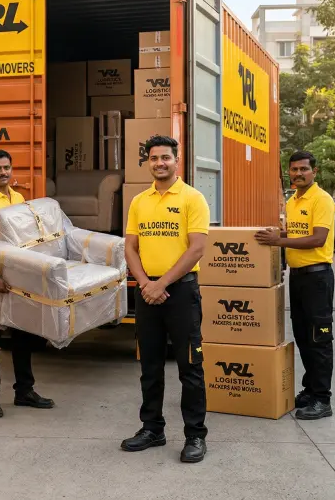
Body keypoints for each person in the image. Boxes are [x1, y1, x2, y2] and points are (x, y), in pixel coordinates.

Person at [121, 135, 209, 463]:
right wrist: (145, 283)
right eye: (154, 158)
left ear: (177, 160)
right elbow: (130, 246)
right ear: (148, 162)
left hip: (182, 292)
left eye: (166, 158)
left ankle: (195, 436)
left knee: (190, 367)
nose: (160, 163)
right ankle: (152, 428)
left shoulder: (193, 198)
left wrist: (162, 284)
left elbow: (197, 248)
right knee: (150, 365)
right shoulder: (139, 201)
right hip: (147, 293)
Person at [0, 149, 55, 419]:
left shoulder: (18, 198)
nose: (3, 172)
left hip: (19, 277)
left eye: (7, 167)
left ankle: (24, 391)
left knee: (24, 335)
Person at [255, 150, 335, 421]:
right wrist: (279, 234)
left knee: (319, 338)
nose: (298, 174)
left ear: (315, 171)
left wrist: (279, 242)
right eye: (294, 170)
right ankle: (310, 390)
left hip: (317, 278)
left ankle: (323, 399)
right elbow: (300, 233)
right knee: (303, 336)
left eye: (304, 169)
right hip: (299, 277)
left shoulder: (321, 199)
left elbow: (317, 239)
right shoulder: (294, 201)